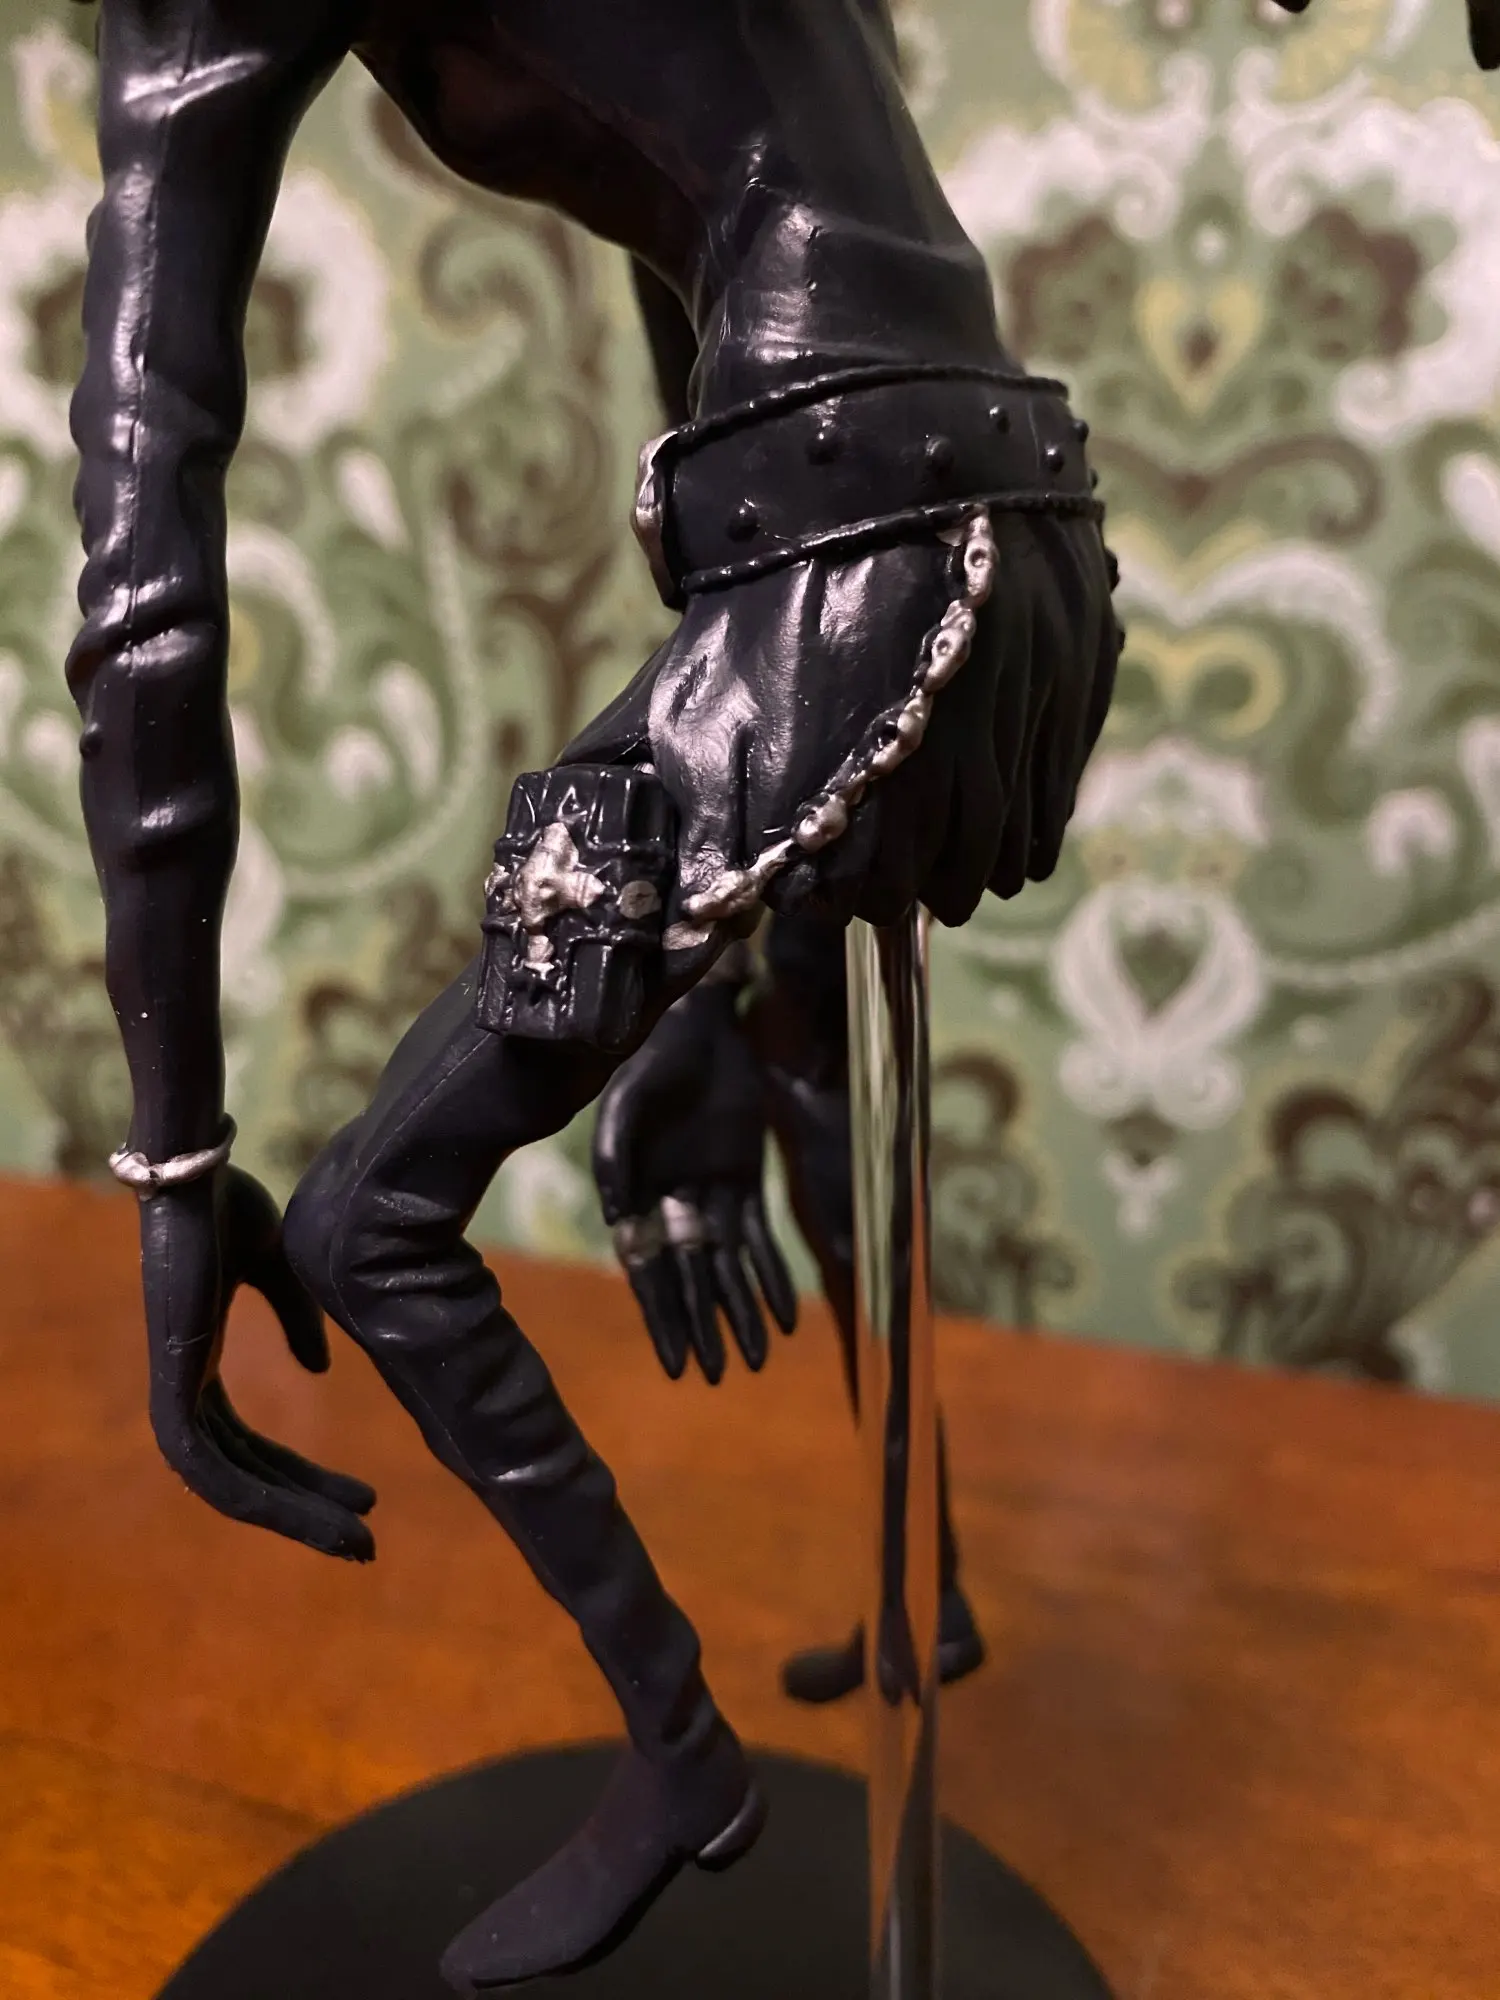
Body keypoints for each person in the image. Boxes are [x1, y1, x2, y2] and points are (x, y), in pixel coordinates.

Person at [66, 0, 1116, 1988]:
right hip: (1024, 534)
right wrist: (708, 979)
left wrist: (178, 1157)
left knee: (366, 1222)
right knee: (792, 1037)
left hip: (853, 563)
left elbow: (143, 608)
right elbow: (697, 289)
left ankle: (679, 1755)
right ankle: (934, 1588)